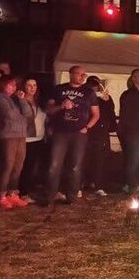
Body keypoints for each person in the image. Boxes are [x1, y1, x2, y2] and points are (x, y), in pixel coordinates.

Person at [45, 66, 99, 206]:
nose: (82, 77)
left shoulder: (89, 92)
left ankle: (72, 195)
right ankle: (50, 195)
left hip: (78, 133)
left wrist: (87, 127)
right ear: (71, 74)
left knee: (75, 165)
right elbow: (49, 110)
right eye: (80, 74)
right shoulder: (58, 89)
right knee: (54, 164)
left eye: (84, 75)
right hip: (60, 132)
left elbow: (96, 114)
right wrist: (61, 106)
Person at [0, 75, 33, 209]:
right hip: (8, 135)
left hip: (21, 135)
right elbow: (8, 114)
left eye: (14, 85)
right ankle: (1, 195)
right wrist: (21, 118)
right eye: (10, 84)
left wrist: (22, 100)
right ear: (2, 85)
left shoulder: (15, 99)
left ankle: (12, 193)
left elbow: (29, 114)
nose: (13, 87)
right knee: (8, 165)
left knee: (18, 165)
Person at [82, 76, 116, 197]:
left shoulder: (105, 97)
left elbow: (110, 113)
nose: (94, 88)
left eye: (96, 85)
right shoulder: (83, 96)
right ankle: (84, 181)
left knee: (100, 159)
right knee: (84, 158)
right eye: (91, 85)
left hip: (101, 132)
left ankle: (98, 184)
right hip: (86, 131)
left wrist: (106, 101)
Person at [18, 77, 48, 201]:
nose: (32, 88)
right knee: (24, 166)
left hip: (39, 137)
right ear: (24, 86)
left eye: (34, 85)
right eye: (29, 85)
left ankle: (27, 191)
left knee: (32, 166)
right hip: (25, 138)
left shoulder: (39, 101)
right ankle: (21, 192)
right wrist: (21, 100)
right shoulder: (20, 100)